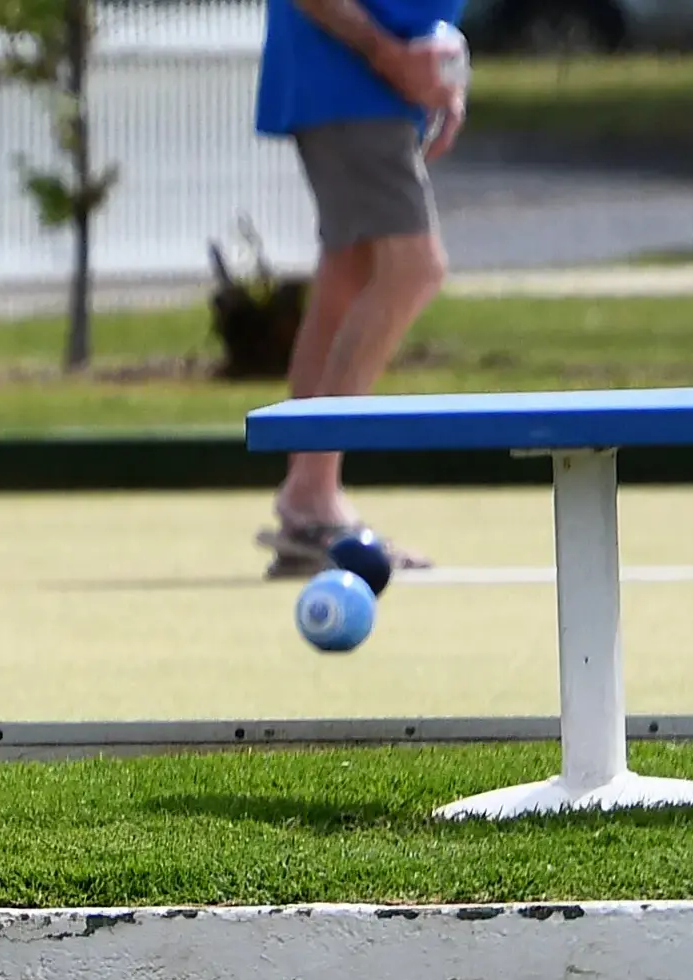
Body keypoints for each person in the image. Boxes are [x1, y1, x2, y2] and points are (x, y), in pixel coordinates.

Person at [252, 0, 468, 578]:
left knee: (350, 275)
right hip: (353, 77)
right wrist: (388, 54)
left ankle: (309, 511)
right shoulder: (372, 61)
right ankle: (311, 496)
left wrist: (446, 71)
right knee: (412, 268)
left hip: (370, 82)